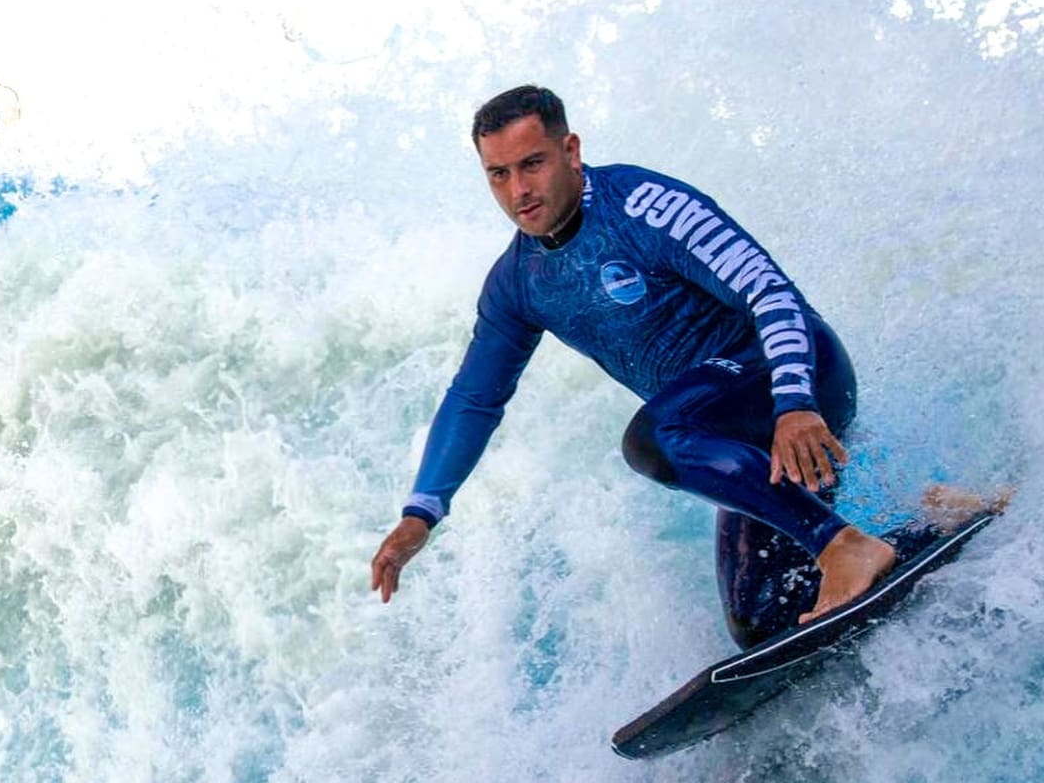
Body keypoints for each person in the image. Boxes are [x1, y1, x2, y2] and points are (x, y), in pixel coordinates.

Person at [368, 85, 967, 648]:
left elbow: (771, 293)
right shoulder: (518, 284)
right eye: (498, 174)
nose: (518, 190)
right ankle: (927, 526)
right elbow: (475, 398)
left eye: (533, 164)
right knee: (763, 621)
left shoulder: (643, 205)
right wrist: (422, 512)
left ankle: (844, 545)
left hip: (796, 379)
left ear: (570, 150)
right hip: (734, 439)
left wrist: (794, 403)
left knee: (654, 438)